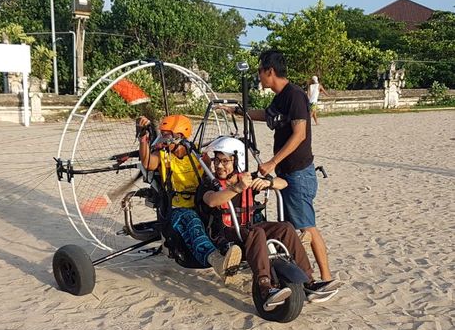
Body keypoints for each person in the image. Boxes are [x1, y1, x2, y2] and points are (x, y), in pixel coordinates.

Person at [220, 49, 337, 285]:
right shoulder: (280, 97)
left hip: (298, 173)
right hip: (287, 173)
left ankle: (325, 278)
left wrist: (272, 162)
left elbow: (299, 134)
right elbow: (267, 115)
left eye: (260, 72)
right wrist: (237, 111)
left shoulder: (294, 95)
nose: (258, 77)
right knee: (293, 227)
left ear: (269, 71)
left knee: (307, 226)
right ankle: (301, 274)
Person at [198, 137, 338, 308]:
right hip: (225, 234)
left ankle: (309, 282)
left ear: (237, 161)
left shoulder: (247, 178)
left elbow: (284, 183)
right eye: (216, 160)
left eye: (225, 161)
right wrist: (236, 188)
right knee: (257, 233)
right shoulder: (209, 183)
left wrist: (268, 182)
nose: (219, 166)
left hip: (247, 229)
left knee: (285, 228)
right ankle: (265, 286)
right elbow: (212, 201)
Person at [137, 114, 241, 283]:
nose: (164, 139)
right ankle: (217, 262)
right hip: (177, 209)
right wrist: (143, 139)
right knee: (191, 220)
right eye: (163, 134)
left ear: (181, 135)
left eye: (168, 135)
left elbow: (215, 172)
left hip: (201, 203)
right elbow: (148, 162)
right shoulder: (163, 155)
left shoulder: (198, 155)